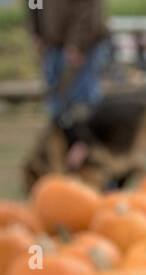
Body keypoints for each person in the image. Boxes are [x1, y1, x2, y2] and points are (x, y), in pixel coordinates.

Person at [26, 0, 111, 170]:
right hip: (52, 45)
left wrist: (78, 43)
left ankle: (95, 166)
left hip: (82, 46)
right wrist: (36, 31)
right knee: (58, 111)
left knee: (84, 109)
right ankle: (63, 166)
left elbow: (89, 6)